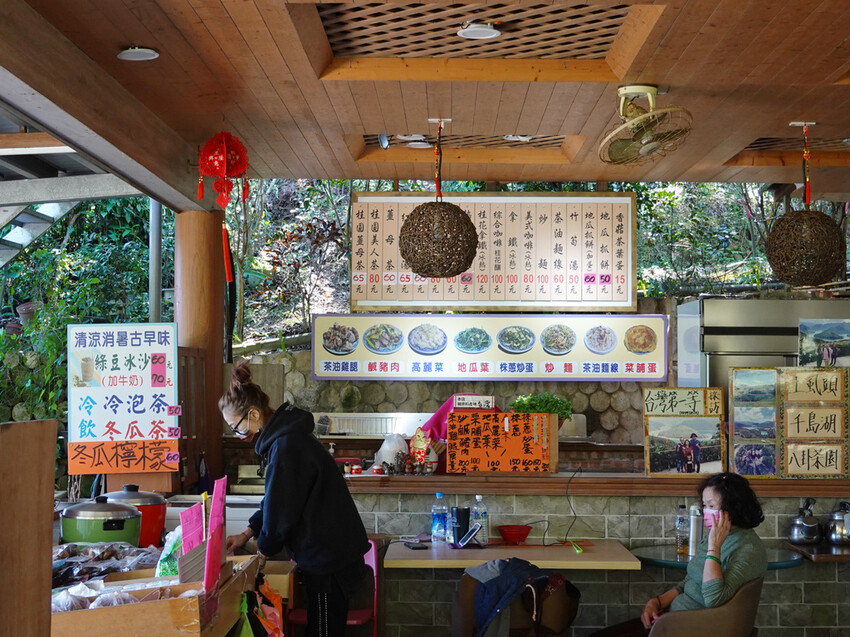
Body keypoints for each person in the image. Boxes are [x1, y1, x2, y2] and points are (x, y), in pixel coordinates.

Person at [221, 362, 369, 636]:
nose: (238, 435)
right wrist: (247, 533)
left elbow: (280, 512)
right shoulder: (285, 438)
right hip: (328, 554)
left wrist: (261, 554)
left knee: (323, 631)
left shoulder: (287, 445)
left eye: (236, 427)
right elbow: (278, 497)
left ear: (253, 414)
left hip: (329, 559)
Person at [590, 473, 767, 637]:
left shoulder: (748, 549)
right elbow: (689, 582)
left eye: (711, 506)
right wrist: (657, 602)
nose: (706, 512)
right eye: (704, 506)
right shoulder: (716, 535)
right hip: (673, 621)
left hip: (694, 628)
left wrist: (714, 547)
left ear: (733, 507)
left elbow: (714, 599)